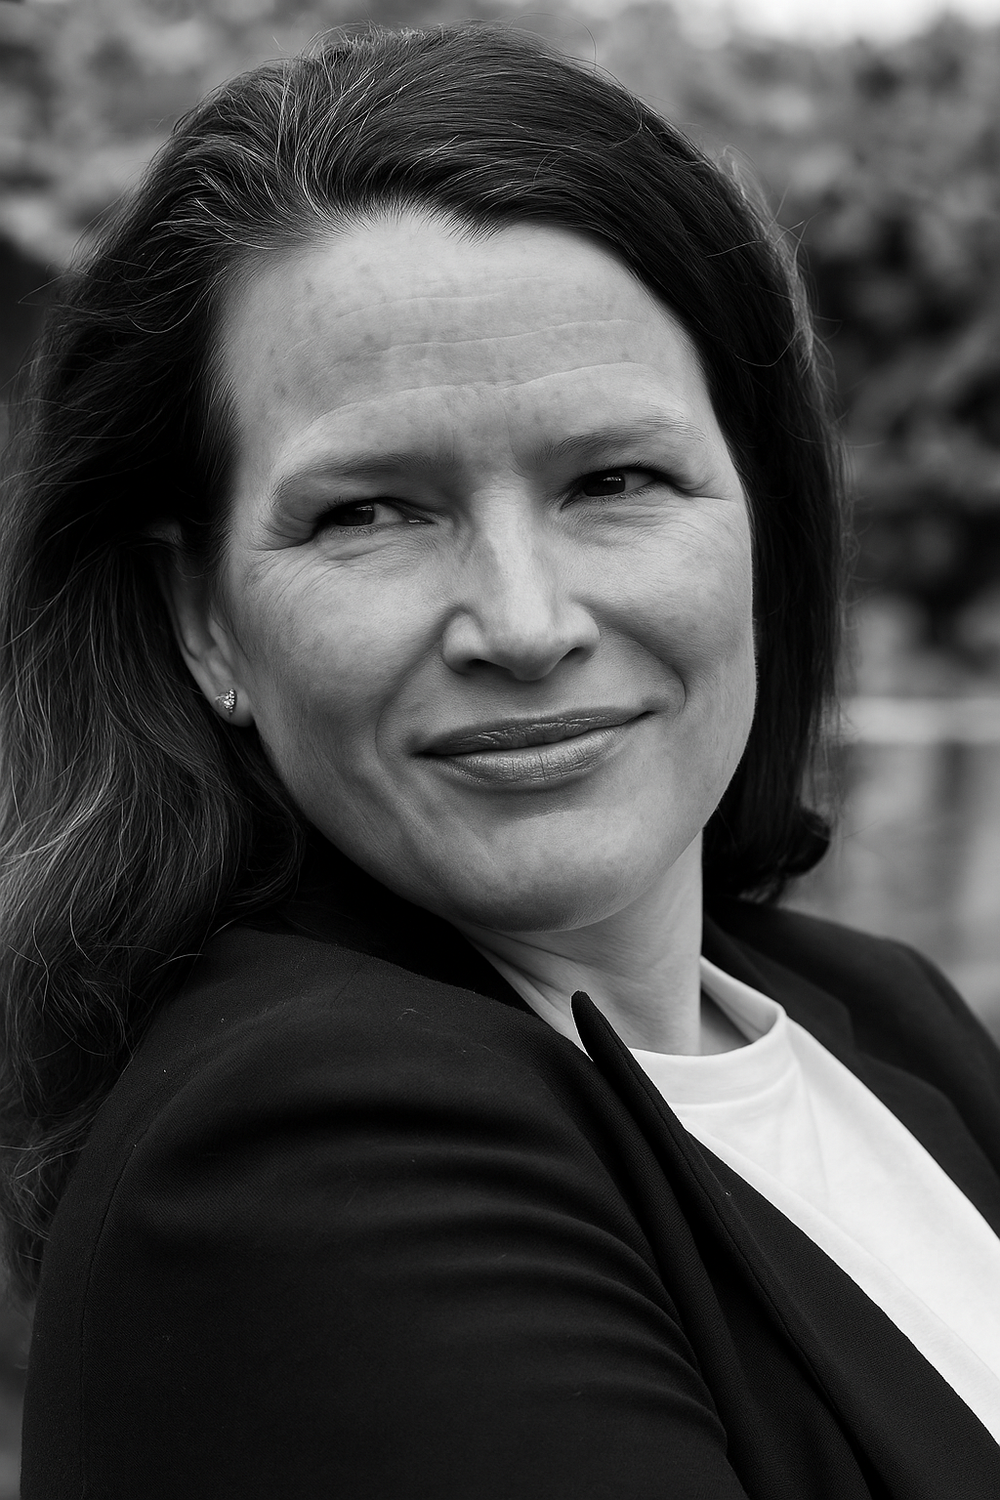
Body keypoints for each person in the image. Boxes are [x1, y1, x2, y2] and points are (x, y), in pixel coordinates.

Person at [3, 23, 1000, 1499]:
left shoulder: (882, 1011)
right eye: (370, 512)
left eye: (616, 479)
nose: (527, 626)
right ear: (202, 617)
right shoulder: (310, 1147)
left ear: (763, 525)